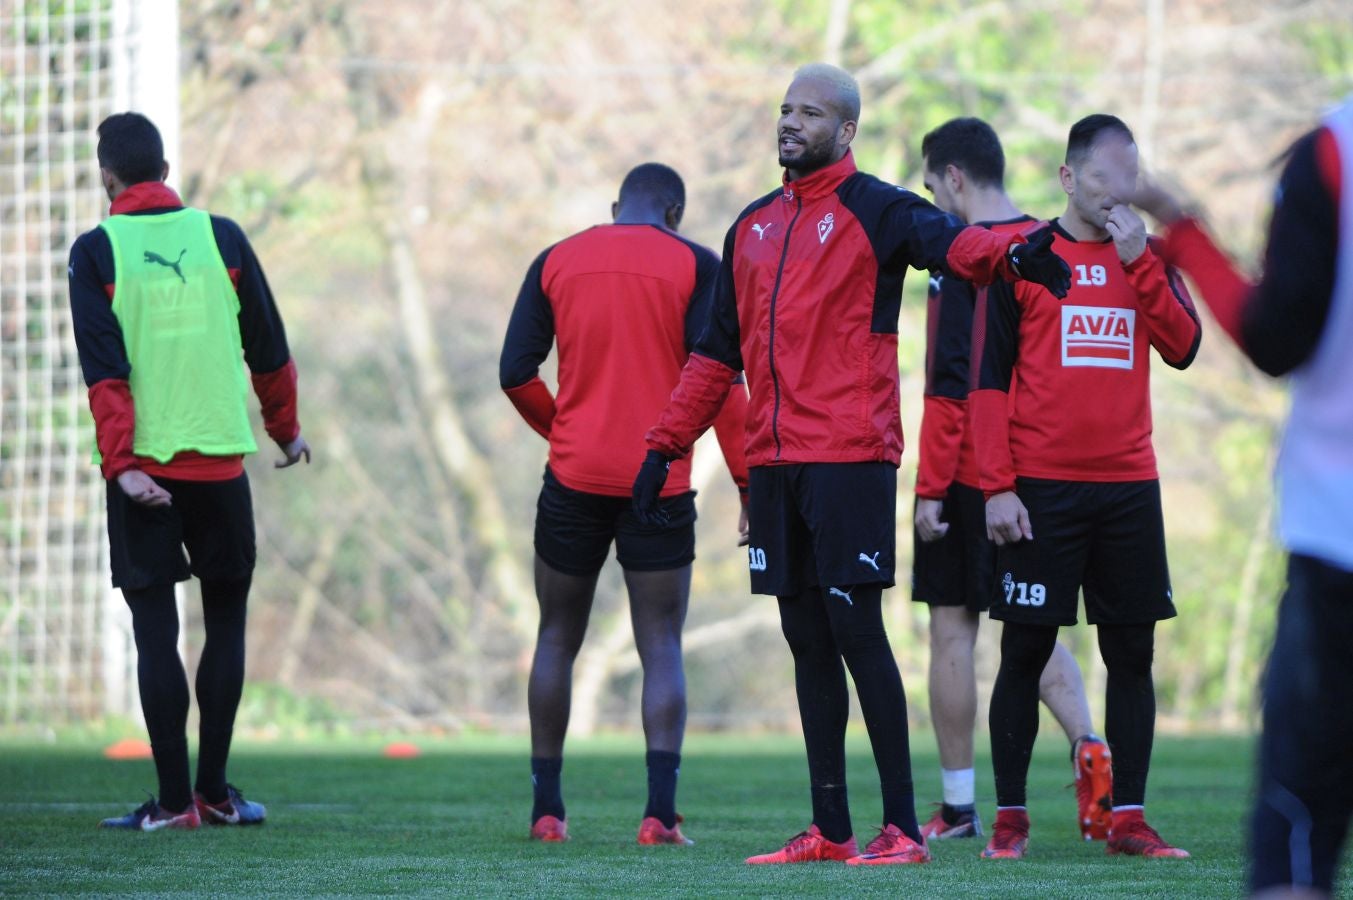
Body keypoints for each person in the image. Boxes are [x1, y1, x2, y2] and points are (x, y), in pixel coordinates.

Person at [631, 63, 1072, 867]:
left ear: (846, 129)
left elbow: (955, 242)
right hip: (771, 462)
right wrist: (663, 447)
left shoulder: (880, 209)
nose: (790, 122)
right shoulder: (751, 227)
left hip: (848, 457)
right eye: (784, 110)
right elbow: (712, 357)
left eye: (810, 112)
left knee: (854, 630)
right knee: (803, 637)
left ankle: (901, 828)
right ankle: (829, 829)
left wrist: (1010, 261)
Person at [1131, 98, 1353, 898]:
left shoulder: (1333, 151)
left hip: (1339, 531)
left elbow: (1272, 337)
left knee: (1300, 811)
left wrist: (1183, 232)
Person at [69, 112, 311, 830]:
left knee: (155, 633)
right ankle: (215, 792)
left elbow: (104, 377)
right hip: (220, 469)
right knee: (226, 623)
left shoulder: (96, 252)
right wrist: (286, 429)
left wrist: (122, 467)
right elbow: (268, 346)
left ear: (106, 178)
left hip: (143, 474)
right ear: (167, 173)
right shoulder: (223, 237)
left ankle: (176, 805)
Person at [969, 114, 1201, 860]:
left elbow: (1184, 347)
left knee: (1130, 654)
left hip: (1129, 487)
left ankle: (1127, 819)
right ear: (1068, 178)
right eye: (1103, 175)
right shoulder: (1024, 259)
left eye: (1128, 176)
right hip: (1040, 491)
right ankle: (1009, 821)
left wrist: (1139, 264)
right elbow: (985, 385)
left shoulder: (1150, 257)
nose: (1116, 191)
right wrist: (995, 488)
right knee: (1024, 652)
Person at [499, 162, 750, 846]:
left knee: (556, 635)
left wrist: (564, 430)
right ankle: (658, 815)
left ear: (617, 207)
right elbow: (722, 381)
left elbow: (514, 371)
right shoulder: (697, 265)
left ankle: (547, 811)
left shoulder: (556, 260)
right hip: (659, 480)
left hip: (573, 477)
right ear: (674, 212)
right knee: (660, 643)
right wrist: (751, 488)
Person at [912, 117, 1111, 844]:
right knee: (1031, 628)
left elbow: (955, 379)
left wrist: (930, 486)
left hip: (972, 473)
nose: (930, 201)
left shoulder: (966, 255)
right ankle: (1091, 744)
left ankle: (961, 808)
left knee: (953, 631)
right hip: (1038, 471)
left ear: (954, 178)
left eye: (930, 187)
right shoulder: (1044, 242)